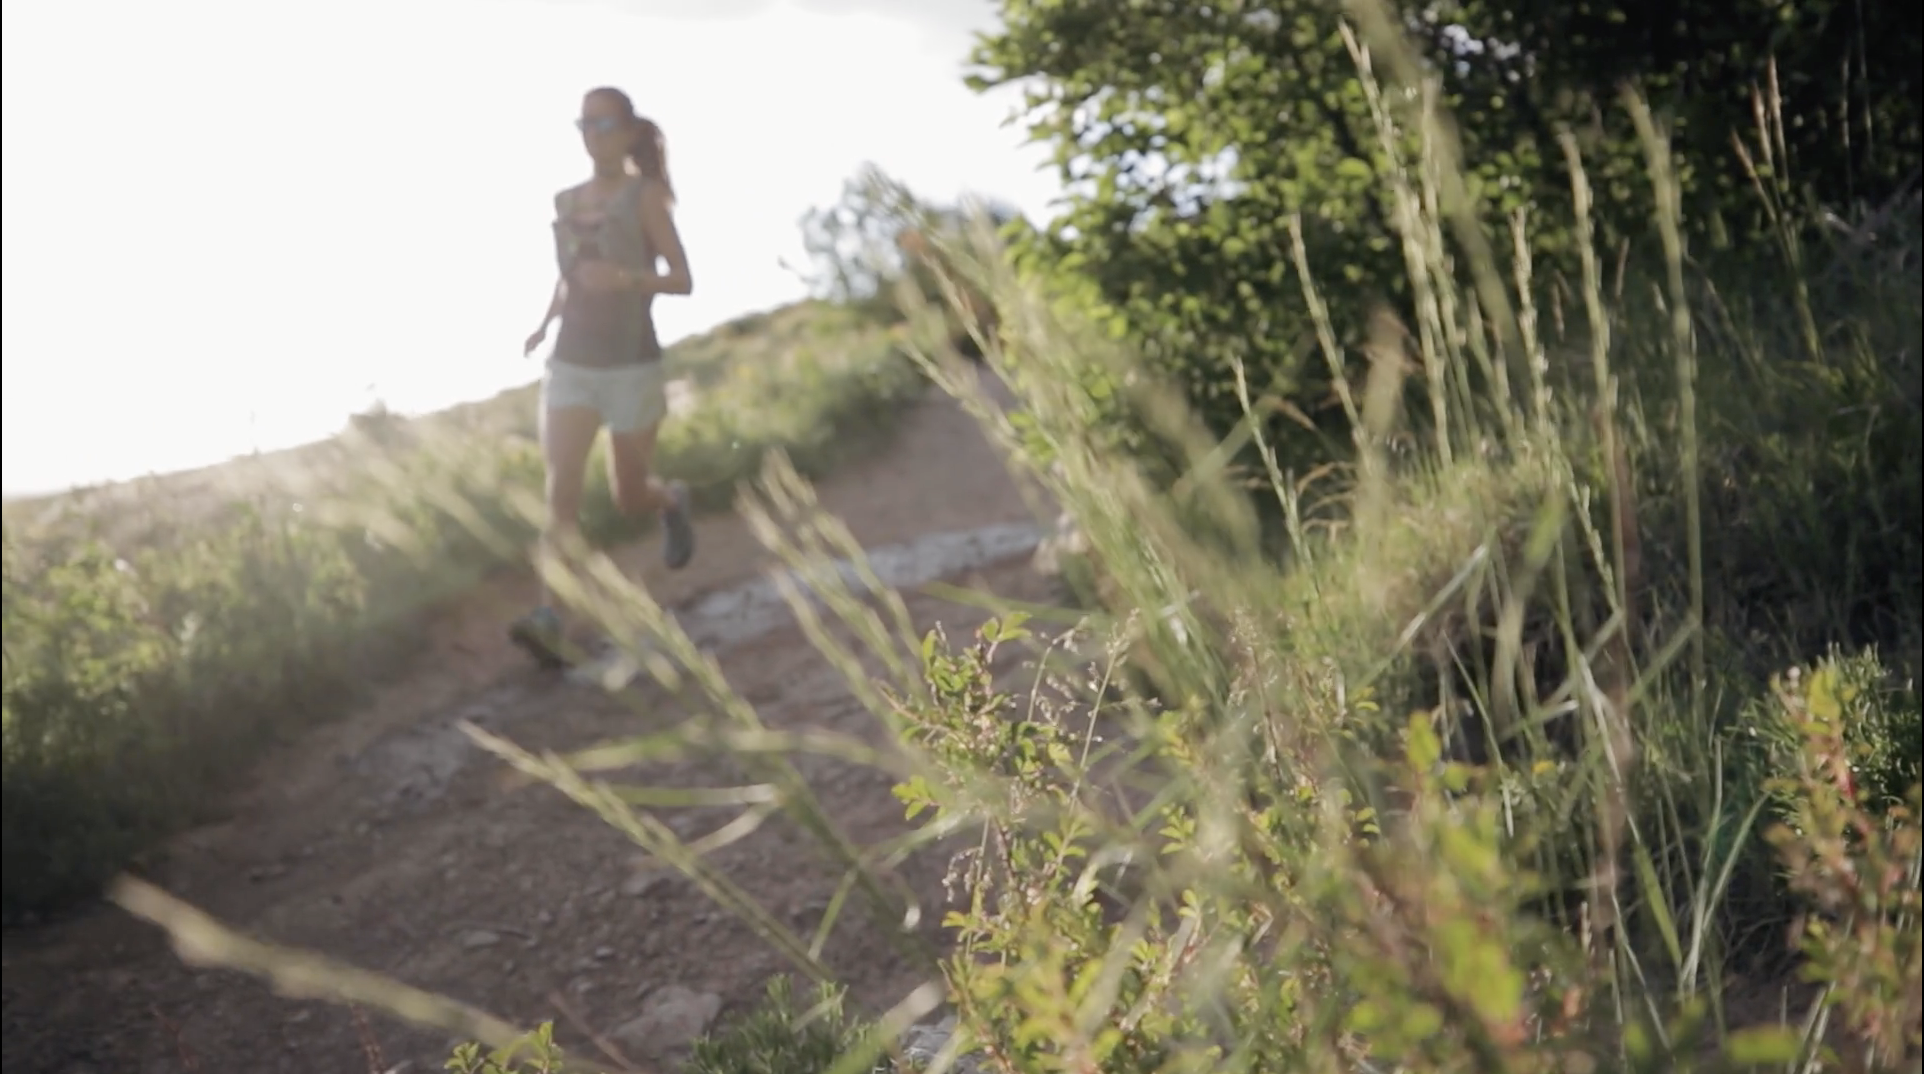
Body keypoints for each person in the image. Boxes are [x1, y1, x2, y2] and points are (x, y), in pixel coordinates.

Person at [510, 86, 696, 664]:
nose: (594, 132)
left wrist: (627, 279)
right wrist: (543, 325)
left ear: (629, 130)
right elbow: (570, 277)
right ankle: (548, 617)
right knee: (560, 492)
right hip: (571, 363)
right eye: (584, 123)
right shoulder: (565, 200)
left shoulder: (645, 198)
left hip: (631, 364)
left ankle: (670, 501)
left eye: (605, 121)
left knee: (628, 495)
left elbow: (683, 278)